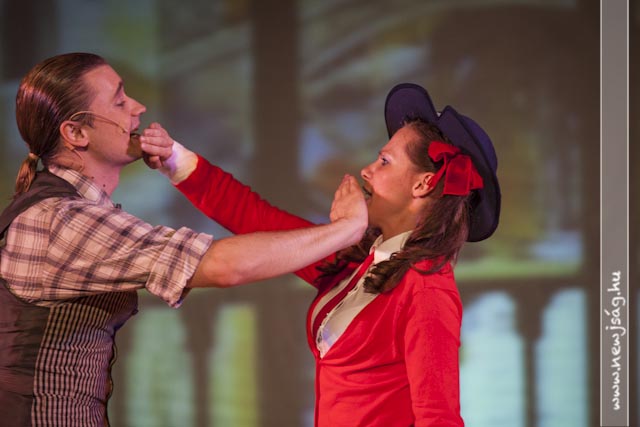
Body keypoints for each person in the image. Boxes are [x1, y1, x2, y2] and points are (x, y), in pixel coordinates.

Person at [0, 52, 367, 427]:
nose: (138, 108)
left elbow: (251, 215)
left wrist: (175, 159)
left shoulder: (61, 211)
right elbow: (224, 265)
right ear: (76, 133)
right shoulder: (63, 220)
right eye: (120, 101)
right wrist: (346, 229)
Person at [147, 83, 501, 426]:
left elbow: (438, 418)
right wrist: (172, 158)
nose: (366, 170)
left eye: (384, 161)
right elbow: (254, 216)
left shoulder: (427, 290)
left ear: (423, 184)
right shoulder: (356, 260)